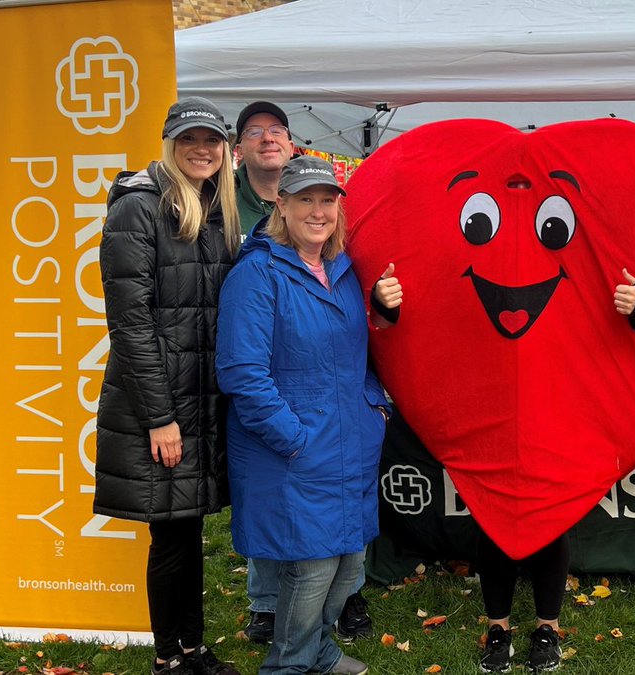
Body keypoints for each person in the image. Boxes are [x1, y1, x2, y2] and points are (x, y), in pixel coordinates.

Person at [366, 267, 635, 673]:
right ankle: (498, 626)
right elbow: (435, 295)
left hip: (558, 390)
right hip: (489, 390)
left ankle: (547, 627)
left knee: (551, 516)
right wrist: (385, 305)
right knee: (493, 514)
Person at [217, 155, 390, 675]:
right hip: (290, 448)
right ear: (281, 204)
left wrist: (373, 409)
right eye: (306, 200)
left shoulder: (342, 269)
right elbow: (242, 374)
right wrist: (292, 436)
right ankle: (289, 664)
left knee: (349, 562)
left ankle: (321, 650)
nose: (319, 211)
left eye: (328, 200)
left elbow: (358, 354)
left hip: (348, 441)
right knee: (313, 566)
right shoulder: (256, 274)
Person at [93, 96, 241, 675]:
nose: (201, 150)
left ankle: (193, 648)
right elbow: (129, 324)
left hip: (199, 399)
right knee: (170, 537)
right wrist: (160, 417)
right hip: (159, 403)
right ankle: (167, 659)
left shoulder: (214, 207)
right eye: (189, 140)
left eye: (211, 141)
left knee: (188, 528)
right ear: (170, 145)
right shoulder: (139, 207)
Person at [234, 101, 295, 234]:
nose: (268, 138)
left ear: (291, 148)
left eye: (276, 131)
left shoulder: (313, 202)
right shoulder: (218, 202)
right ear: (239, 151)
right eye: (254, 132)